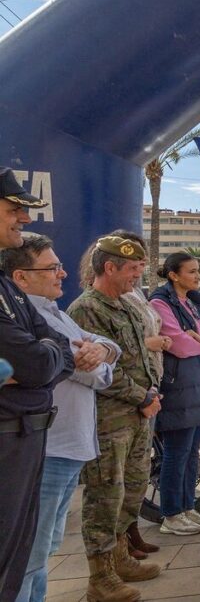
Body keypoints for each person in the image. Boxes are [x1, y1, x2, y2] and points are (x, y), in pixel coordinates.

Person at [3, 235, 117, 602]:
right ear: (21, 277)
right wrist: (94, 359)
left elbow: (109, 352)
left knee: (43, 552)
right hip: (48, 449)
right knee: (27, 559)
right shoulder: (27, 315)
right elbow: (84, 372)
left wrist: (101, 350)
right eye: (52, 268)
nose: (63, 273)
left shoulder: (55, 313)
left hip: (67, 447)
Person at [68, 235, 162, 602]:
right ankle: (100, 578)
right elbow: (97, 371)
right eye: (131, 270)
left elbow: (138, 357)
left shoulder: (123, 305)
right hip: (109, 420)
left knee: (133, 488)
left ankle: (121, 558)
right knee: (105, 495)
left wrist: (151, 393)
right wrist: (143, 396)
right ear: (109, 268)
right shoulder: (86, 309)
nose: (136, 277)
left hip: (138, 414)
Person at [0, 170, 74, 602]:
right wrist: (42, 358)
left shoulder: (7, 290)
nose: (23, 219)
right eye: (13, 210)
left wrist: (42, 358)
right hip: (10, 437)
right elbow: (33, 361)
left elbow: (53, 352)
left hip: (26, 437)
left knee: (22, 558)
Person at [149, 252, 200, 535]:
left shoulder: (195, 302)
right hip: (178, 384)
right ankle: (171, 514)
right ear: (174, 275)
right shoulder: (160, 302)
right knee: (176, 452)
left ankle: (187, 507)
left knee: (192, 451)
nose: (197, 276)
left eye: (197, 271)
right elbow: (178, 346)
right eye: (191, 271)